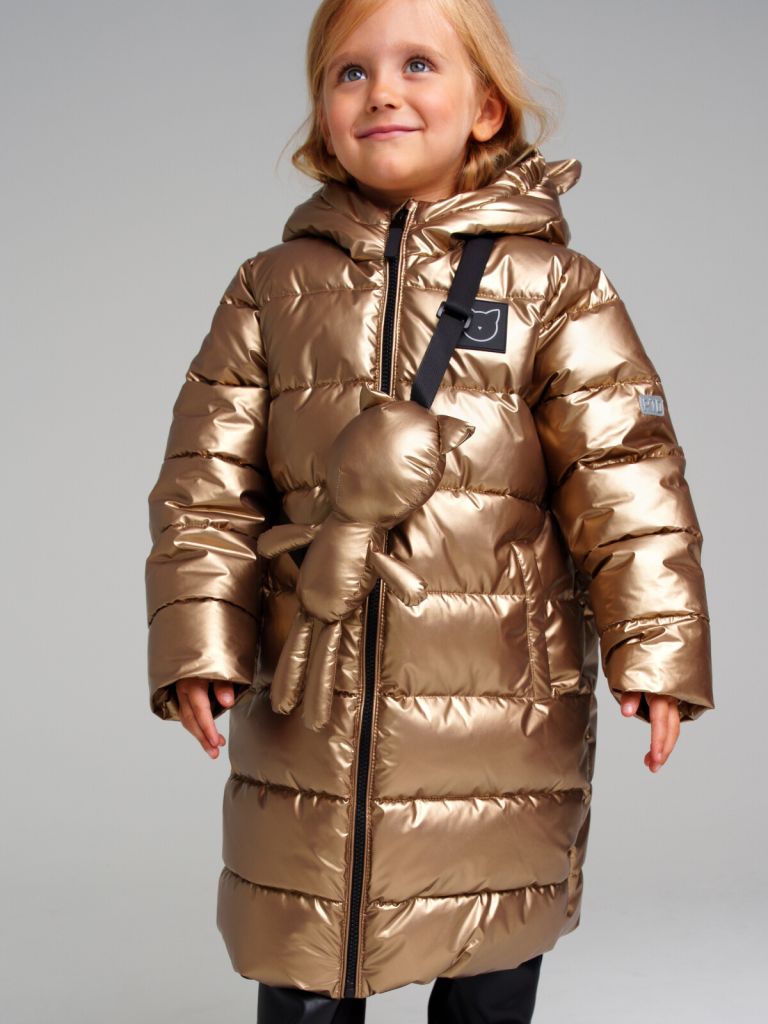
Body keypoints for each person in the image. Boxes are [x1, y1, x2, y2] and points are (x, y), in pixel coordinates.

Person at [144, 0, 715, 1020]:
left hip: (501, 710)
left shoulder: (555, 289)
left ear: (486, 108)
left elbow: (627, 478)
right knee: (307, 947)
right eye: (350, 72)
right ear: (323, 118)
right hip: (313, 699)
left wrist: (656, 647)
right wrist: (200, 641)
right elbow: (205, 486)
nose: (382, 91)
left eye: (417, 64)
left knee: (490, 952)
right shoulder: (270, 290)